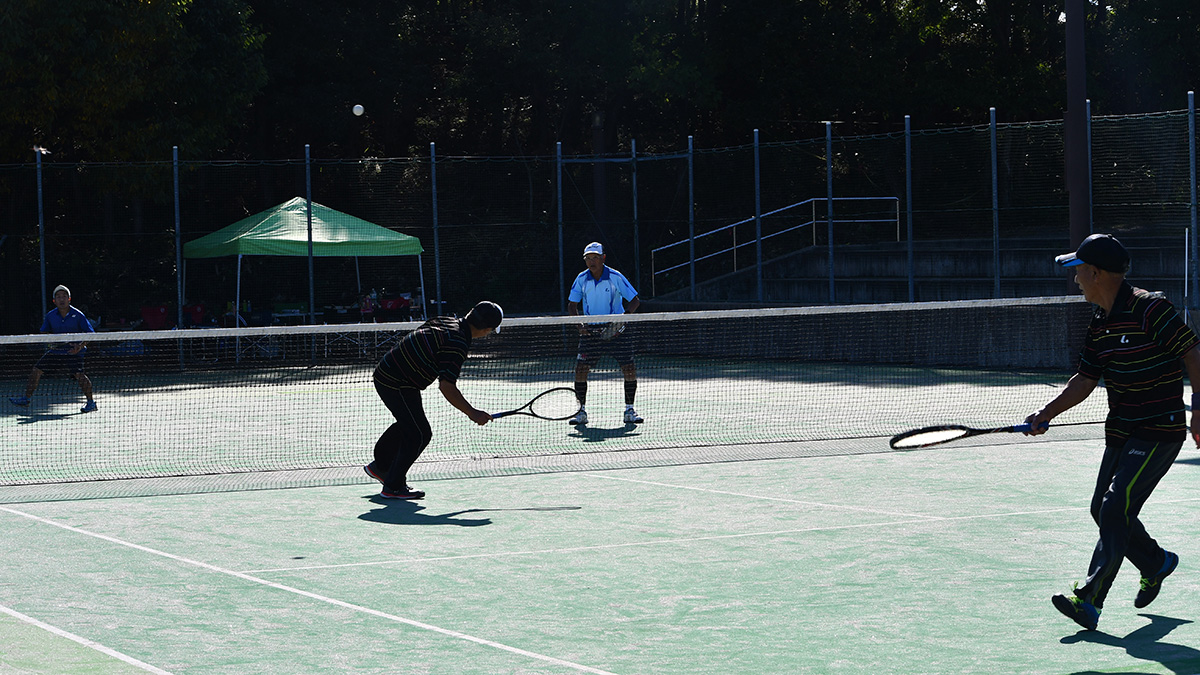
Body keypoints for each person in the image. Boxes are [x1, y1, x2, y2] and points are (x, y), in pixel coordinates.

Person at [1024, 234, 1200, 631]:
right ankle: (1156, 562)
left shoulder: (1150, 308)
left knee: (1113, 507)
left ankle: (1089, 600)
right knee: (1101, 510)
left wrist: (1199, 411)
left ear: (1097, 272)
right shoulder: (1100, 323)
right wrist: (1045, 413)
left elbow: (1192, 353)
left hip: (1159, 430)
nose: (1076, 281)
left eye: (1079, 272)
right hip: (1121, 431)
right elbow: (1083, 381)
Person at [364, 301, 503, 499]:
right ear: (487, 329)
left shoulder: (447, 321)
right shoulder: (458, 343)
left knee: (411, 425)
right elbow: (447, 386)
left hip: (395, 374)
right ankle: (392, 486)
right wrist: (472, 412)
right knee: (419, 433)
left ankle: (381, 467)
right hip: (396, 380)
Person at [566, 241, 643, 426]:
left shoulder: (615, 277)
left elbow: (634, 301)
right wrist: (580, 326)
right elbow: (572, 305)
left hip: (617, 331)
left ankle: (629, 410)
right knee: (581, 370)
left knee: (629, 368)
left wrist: (623, 318)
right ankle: (581, 411)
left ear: (603, 258)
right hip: (591, 333)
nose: (592, 262)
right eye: (588, 258)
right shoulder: (581, 279)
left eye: (595, 258)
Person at [10, 285, 98, 413]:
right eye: (58, 297)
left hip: (74, 352)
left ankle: (91, 402)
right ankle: (26, 399)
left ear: (69, 299)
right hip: (57, 351)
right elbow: (44, 333)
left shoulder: (78, 315)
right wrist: (51, 342)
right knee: (36, 370)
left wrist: (79, 346)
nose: (61, 299)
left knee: (79, 374)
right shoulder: (50, 316)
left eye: (64, 296)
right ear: (54, 301)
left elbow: (91, 334)